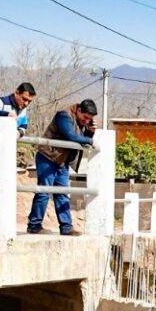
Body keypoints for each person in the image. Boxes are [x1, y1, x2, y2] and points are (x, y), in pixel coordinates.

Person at [26, 100, 96, 237]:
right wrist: (90, 140)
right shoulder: (63, 116)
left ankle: (66, 227)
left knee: (62, 193)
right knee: (44, 191)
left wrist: (89, 133)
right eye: (85, 117)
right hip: (48, 157)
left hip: (62, 161)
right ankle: (34, 225)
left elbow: (80, 138)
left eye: (89, 119)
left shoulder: (80, 122)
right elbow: (70, 135)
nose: (86, 121)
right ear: (79, 110)